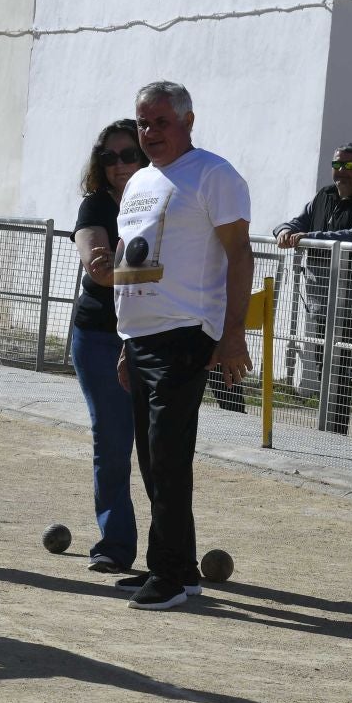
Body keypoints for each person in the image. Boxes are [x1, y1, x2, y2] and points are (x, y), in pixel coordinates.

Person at [112, 80, 252, 610]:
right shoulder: (141, 180)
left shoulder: (213, 175)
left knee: (168, 457)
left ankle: (167, 577)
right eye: (143, 123)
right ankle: (182, 569)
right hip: (143, 336)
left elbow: (240, 255)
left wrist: (234, 332)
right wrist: (127, 338)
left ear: (188, 121)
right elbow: (133, 260)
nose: (149, 133)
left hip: (186, 332)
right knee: (151, 458)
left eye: (160, 122)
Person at [274, 145, 352, 441]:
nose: (343, 171)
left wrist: (308, 239)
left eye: (350, 166)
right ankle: (335, 437)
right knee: (329, 369)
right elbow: (295, 223)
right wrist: (283, 232)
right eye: (338, 165)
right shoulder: (324, 197)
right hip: (324, 302)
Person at [71, 119, 147, 574]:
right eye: (110, 157)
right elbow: (97, 269)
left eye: (129, 154)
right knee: (113, 441)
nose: (119, 165)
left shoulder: (163, 198)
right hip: (100, 335)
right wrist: (151, 270)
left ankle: (172, 552)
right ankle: (115, 544)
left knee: (161, 449)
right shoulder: (95, 205)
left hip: (157, 334)